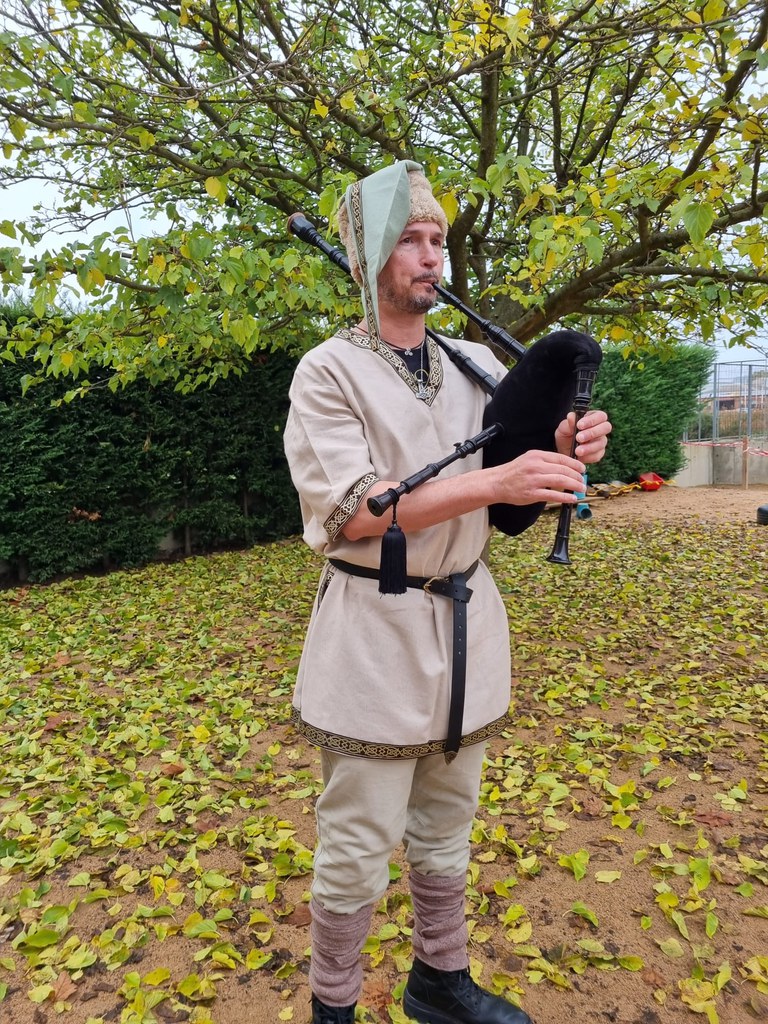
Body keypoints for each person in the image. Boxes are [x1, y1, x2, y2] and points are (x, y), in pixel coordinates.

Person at [283, 161, 611, 1024]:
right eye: (411, 241)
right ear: (370, 259)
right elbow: (356, 512)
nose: (433, 257)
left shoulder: (475, 364)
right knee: (358, 842)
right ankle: (333, 1008)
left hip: (468, 624)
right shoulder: (327, 372)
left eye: (438, 240)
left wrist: (567, 448)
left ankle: (439, 981)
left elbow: (511, 506)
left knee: (446, 822)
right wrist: (496, 479)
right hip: (372, 631)